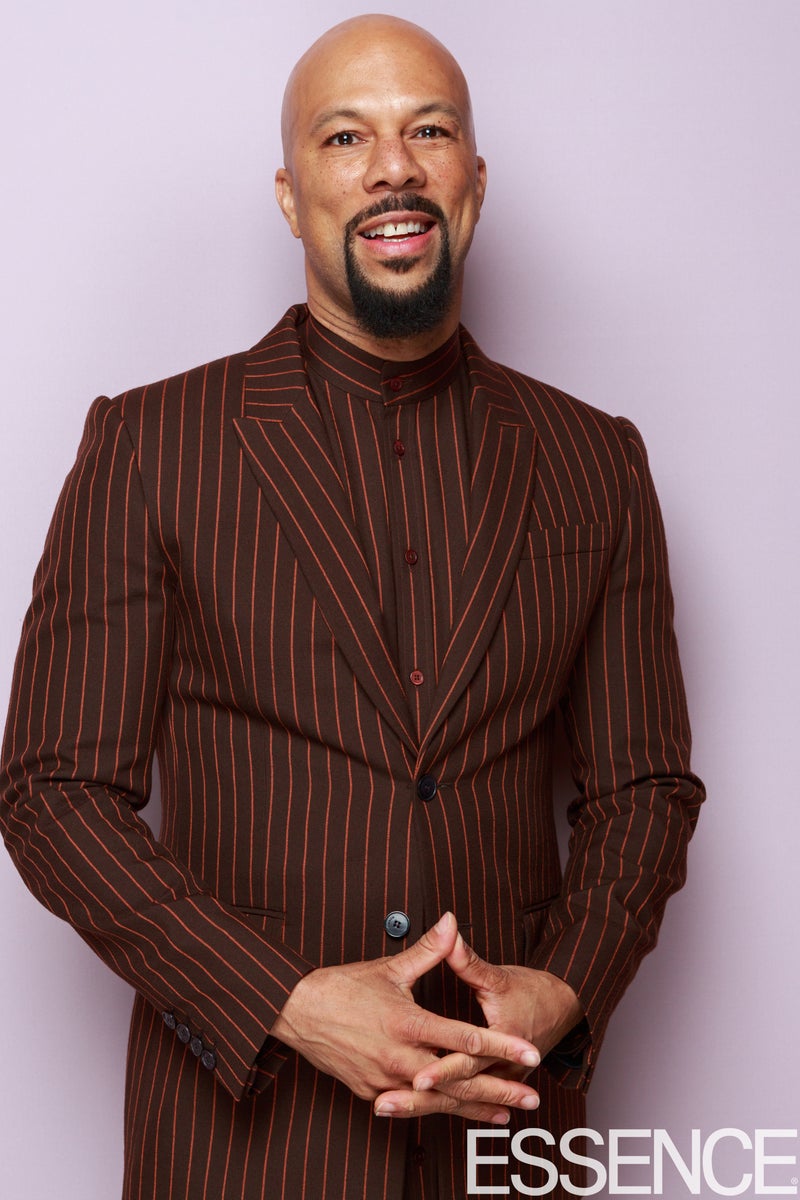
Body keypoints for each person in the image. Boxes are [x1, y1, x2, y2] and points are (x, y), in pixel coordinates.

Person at [0, 14, 704, 1200]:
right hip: (239, 1143)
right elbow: (51, 790)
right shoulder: (151, 445)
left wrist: (564, 988)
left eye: (428, 131)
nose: (392, 167)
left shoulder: (596, 459)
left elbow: (643, 787)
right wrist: (279, 1000)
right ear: (291, 197)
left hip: (503, 1131)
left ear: (472, 180)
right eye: (344, 137)